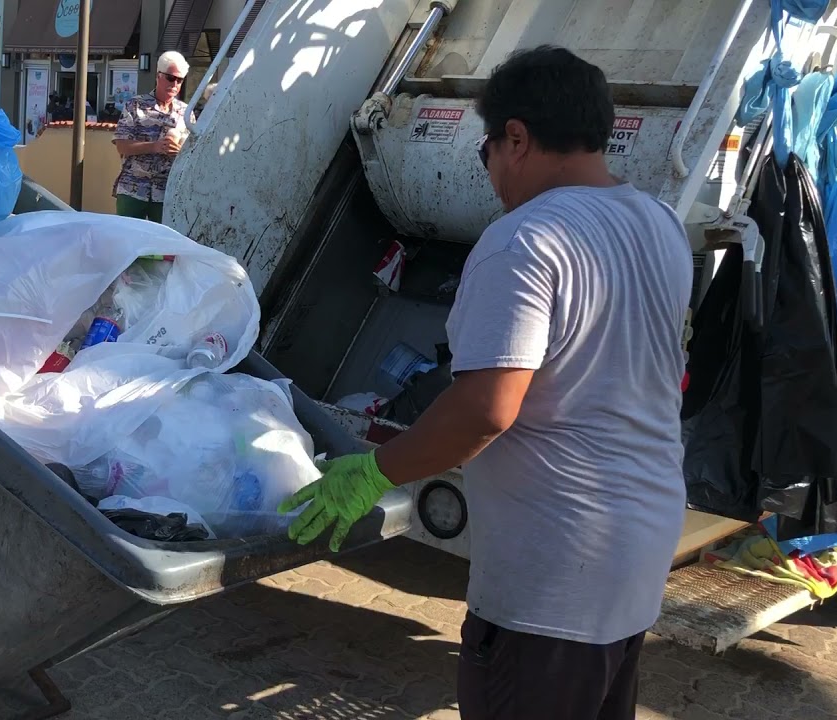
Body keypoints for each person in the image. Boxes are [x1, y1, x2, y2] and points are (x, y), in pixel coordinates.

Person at [277, 46, 691, 720]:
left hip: (553, 576)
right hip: (638, 550)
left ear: (516, 139)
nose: (491, 173)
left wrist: (375, 471)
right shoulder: (661, 224)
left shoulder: (524, 239)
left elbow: (486, 410)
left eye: (487, 150)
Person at [111, 51, 190, 222]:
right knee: (128, 237)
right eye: (170, 78)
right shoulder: (135, 105)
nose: (175, 84)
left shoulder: (185, 112)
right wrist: (154, 146)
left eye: (179, 80)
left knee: (162, 239)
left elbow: (192, 152)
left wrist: (180, 152)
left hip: (166, 193)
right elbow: (122, 145)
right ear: (158, 76)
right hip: (133, 189)